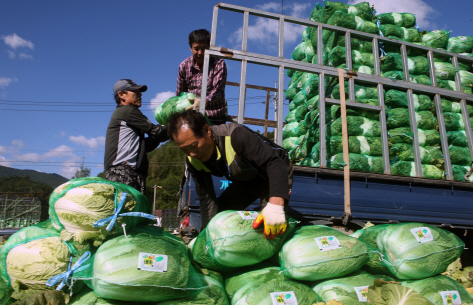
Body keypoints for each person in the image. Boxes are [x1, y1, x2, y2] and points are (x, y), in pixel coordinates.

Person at [168, 110, 293, 239]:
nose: (192, 153)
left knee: (269, 225)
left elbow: (274, 162)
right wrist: (206, 237)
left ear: (207, 130)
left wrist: (276, 205)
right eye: (185, 150)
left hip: (274, 170)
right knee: (220, 216)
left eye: (194, 145)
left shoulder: (236, 135)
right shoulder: (193, 161)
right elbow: (206, 199)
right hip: (246, 180)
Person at [104, 79, 168, 193]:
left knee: (129, 209)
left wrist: (161, 133)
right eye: (135, 91)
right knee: (127, 209)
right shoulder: (127, 110)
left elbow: (145, 146)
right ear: (121, 94)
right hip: (123, 172)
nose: (140, 94)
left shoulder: (126, 115)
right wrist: (179, 121)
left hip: (126, 172)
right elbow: (157, 132)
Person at [176, 29, 228, 125]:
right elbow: (180, 94)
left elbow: (218, 89)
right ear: (191, 48)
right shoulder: (184, 66)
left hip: (215, 117)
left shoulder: (219, 63)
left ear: (209, 48)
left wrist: (204, 102)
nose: (200, 53)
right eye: (196, 49)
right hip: (193, 117)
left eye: (204, 49)